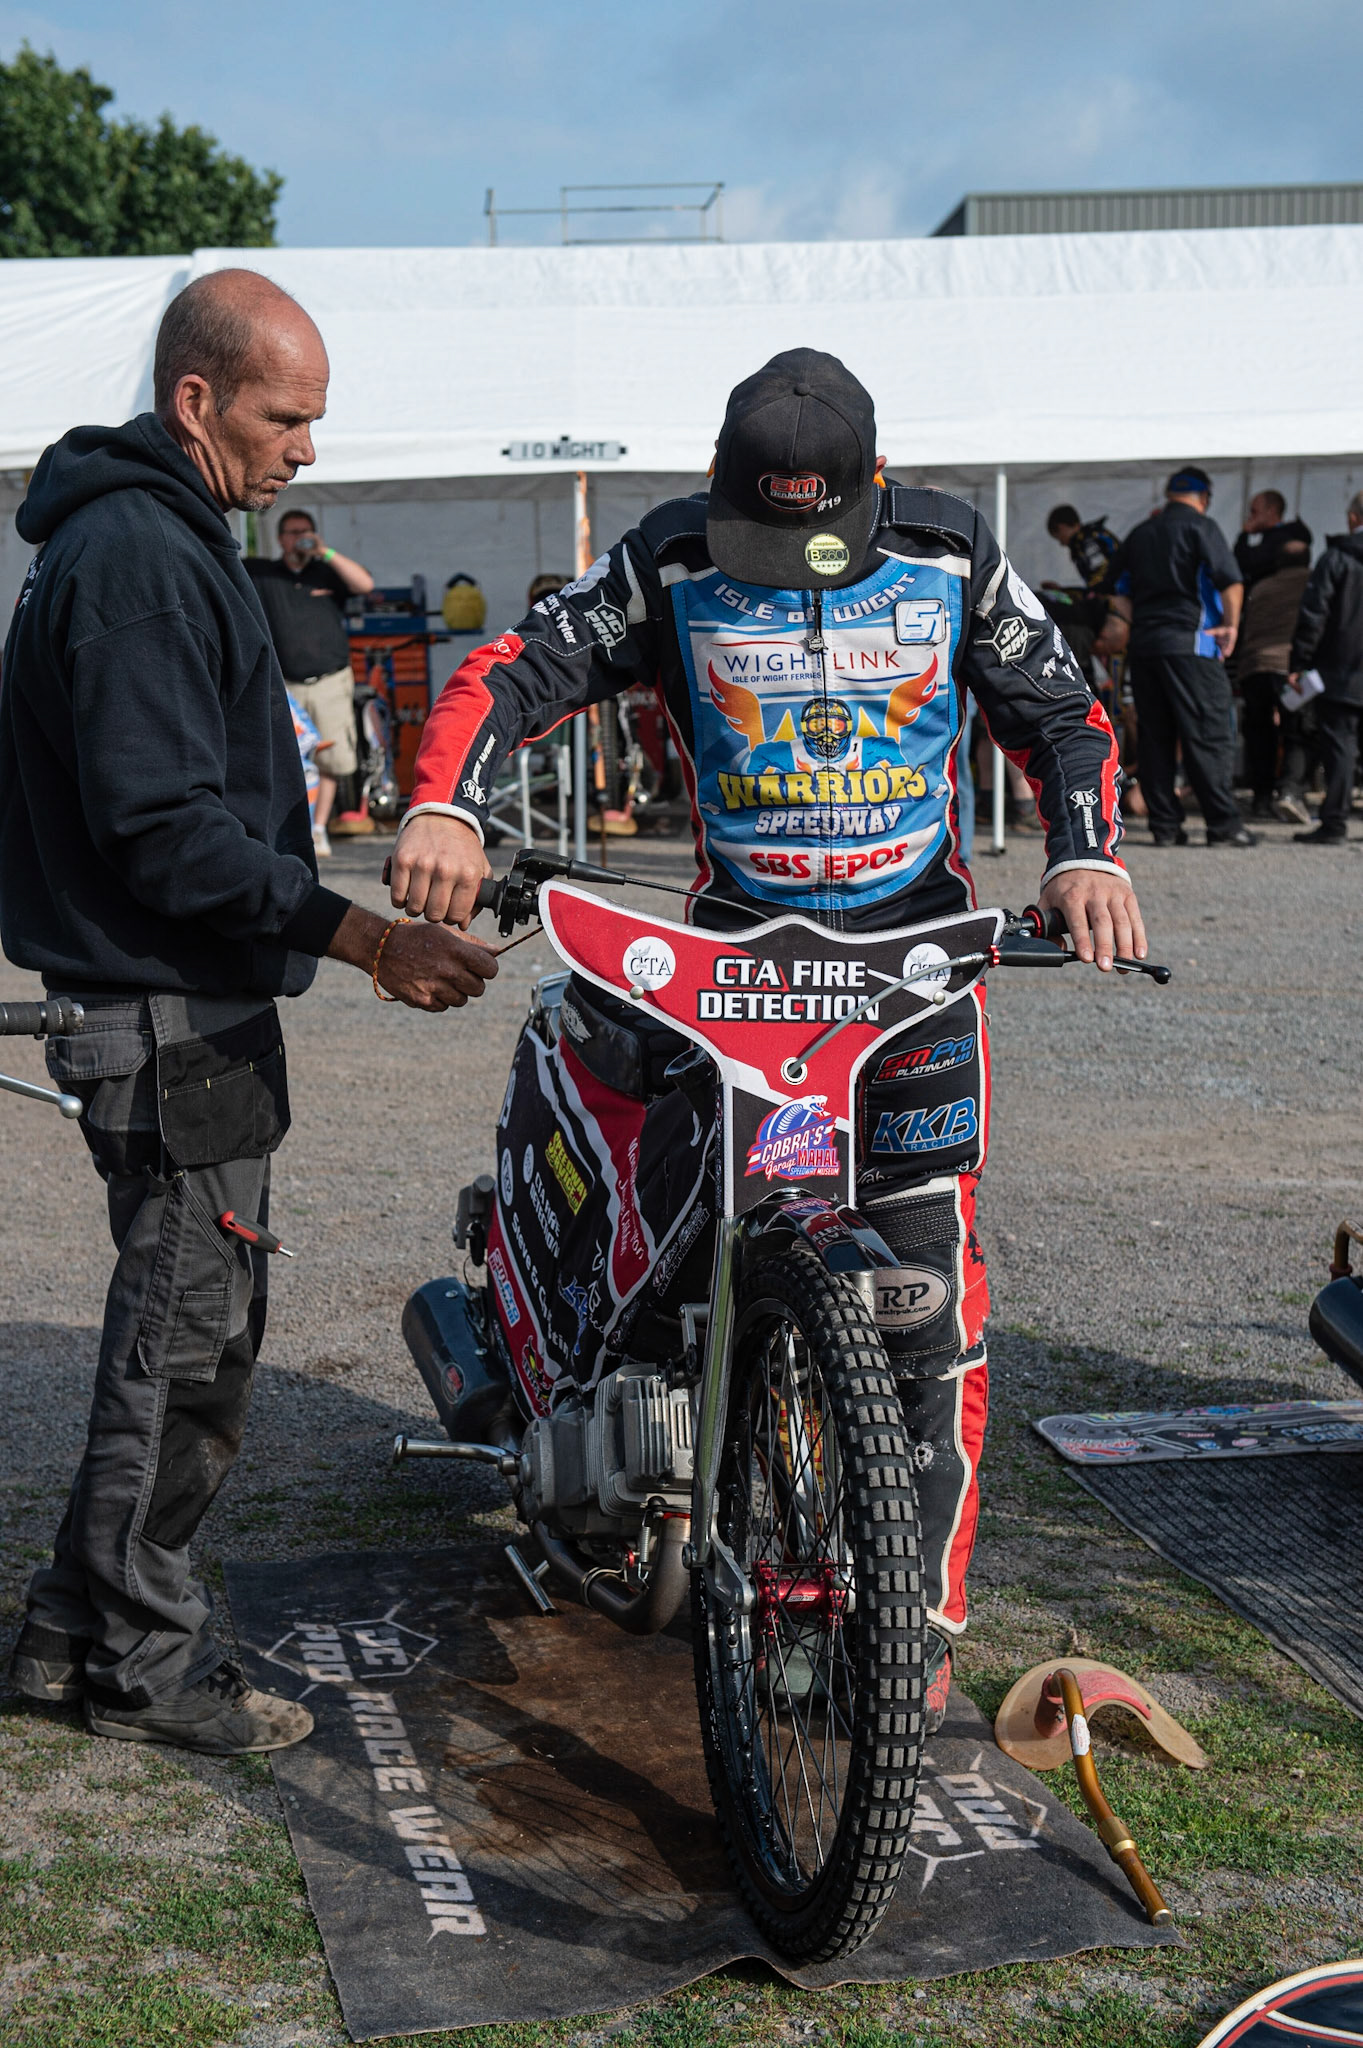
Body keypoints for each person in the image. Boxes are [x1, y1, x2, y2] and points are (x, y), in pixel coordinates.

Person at [388, 348, 1144, 1733]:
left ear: (868, 486)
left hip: (912, 979)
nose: (792, 567)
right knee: (699, 1269)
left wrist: (1085, 856)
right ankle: (662, 1482)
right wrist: (444, 805)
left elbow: (1060, 710)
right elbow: (517, 666)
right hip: (728, 979)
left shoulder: (950, 548)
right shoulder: (671, 556)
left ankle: (909, 1639)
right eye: (762, 533)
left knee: (930, 1307)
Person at [0, 268, 497, 1754]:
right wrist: (358, 935)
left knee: (190, 1336)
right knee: (184, 1351)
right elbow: (161, 830)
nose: (306, 451)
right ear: (197, 400)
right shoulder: (140, 557)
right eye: (286, 417)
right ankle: (142, 1670)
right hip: (167, 1020)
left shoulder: (143, 537)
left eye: (317, 421)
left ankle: (62, 1640)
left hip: (177, 1010)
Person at [1104, 465, 1256, 847]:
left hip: (1145, 646)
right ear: (1204, 497)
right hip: (1191, 644)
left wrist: (1139, 622)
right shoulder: (1202, 528)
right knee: (1208, 732)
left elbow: (1116, 590)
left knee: (1155, 737)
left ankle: (1166, 827)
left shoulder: (1139, 533)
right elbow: (1230, 580)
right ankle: (1223, 825)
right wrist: (1232, 626)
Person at [246, 508, 373, 857]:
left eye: (305, 531)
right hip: (285, 684)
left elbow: (365, 585)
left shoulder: (327, 573)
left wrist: (324, 551)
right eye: (291, 532)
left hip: (331, 680)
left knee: (330, 758)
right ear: (280, 537)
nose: (298, 537)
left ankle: (318, 829)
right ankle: (289, 830)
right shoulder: (265, 573)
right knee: (287, 759)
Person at [1286, 491, 1363, 844]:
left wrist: (1299, 662)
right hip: (1344, 670)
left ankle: (1334, 823)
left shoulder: (1337, 558)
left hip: (1340, 670)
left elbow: (1314, 614)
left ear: (1352, 518)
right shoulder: (1338, 558)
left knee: (1340, 746)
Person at [1230, 497, 1313, 821]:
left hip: (1254, 669)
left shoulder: (1261, 587)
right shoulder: (1313, 582)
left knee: (1260, 734)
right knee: (1296, 730)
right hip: (1288, 668)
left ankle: (1262, 798)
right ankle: (1291, 792)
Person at [1233, 489, 1312, 590]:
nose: (1250, 517)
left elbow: (1245, 562)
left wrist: (1244, 534)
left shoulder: (1279, 539)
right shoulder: (1284, 536)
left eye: (1254, 512)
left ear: (1270, 511)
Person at [1046, 504, 1120, 588]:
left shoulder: (1087, 541)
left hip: (1120, 592)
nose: (1061, 543)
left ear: (1062, 527)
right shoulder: (1090, 536)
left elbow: (1101, 578)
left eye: (1059, 537)